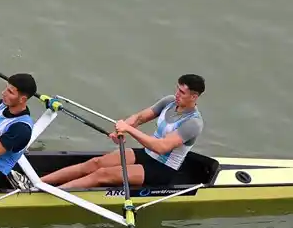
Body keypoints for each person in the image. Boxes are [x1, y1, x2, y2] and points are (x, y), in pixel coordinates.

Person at [40, 74, 206, 189]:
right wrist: (122, 129)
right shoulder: (169, 101)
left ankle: (46, 193)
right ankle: (39, 182)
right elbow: (139, 118)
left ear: (194, 96)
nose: (177, 94)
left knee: (102, 174)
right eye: (177, 89)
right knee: (94, 163)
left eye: (182, 93)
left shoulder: (193, 123)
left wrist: (129, 130)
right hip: (146, 154)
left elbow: (161, 147)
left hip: (162, 169)